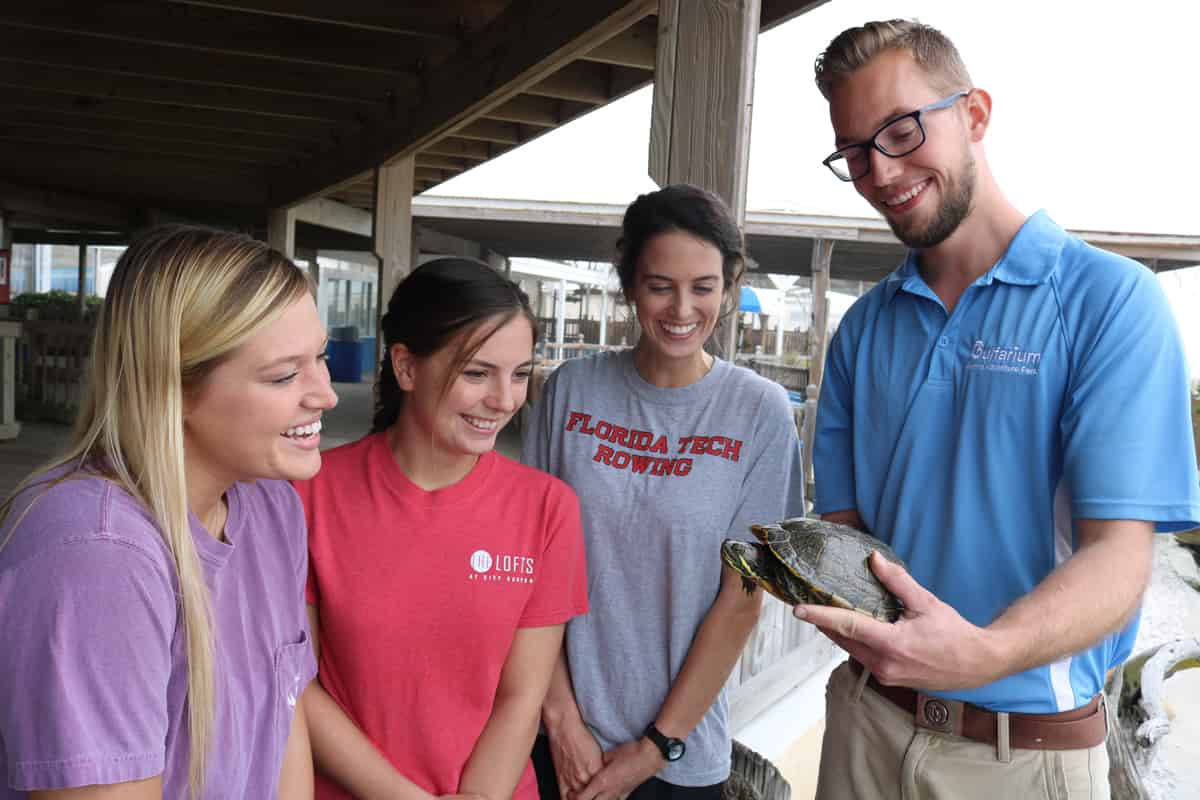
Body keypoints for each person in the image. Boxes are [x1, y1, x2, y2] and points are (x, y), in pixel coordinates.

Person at [799, 19, 1200, 799]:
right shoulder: (861, 331)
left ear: (975, 114)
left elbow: (1120, 558)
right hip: (863, 729)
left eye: (901, 130)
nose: (880, 171)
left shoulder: (1109, 302)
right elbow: (841, 541)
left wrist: (980, 653)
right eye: (854, 151)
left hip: (1024, 755)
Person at [0, 225, 336, 798]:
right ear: (173, 386)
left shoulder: (271, 502)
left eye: (321, 358)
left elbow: (284, 721)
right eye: (284, 374)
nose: (326, 394)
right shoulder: (98, 553)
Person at [523, 184, 806, 800]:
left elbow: (742, 600)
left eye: (704, 287)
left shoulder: (758, 413)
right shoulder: (570, 392)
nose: (682, 308)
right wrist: (561, 718)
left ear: (728, 287)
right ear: (629, 283)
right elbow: (533, 570)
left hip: (678, 758)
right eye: (660, 286)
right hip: (556, 738)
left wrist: (654, 748)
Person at [296, 257, 588, 800]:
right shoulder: (310, 494)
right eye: (476, 373)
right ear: (406, 367)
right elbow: (299, 685)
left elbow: (522, 696)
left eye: (520, 374)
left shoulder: (548, 509)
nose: (504, 400)